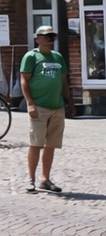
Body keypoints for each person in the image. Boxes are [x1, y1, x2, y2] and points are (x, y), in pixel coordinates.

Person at [20, 24, 74, 194]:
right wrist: (30, 103)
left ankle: (45, 179)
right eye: (46, 36)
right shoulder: (31, 57)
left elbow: (64, 81)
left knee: (51, 145)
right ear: (38, 39)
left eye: (52, 36)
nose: (50, 39)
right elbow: (24, 81)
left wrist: (70, 102)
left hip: (57, 106)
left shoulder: (57, 57)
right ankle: (31, 179)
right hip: (39, 106)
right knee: (36, 143)